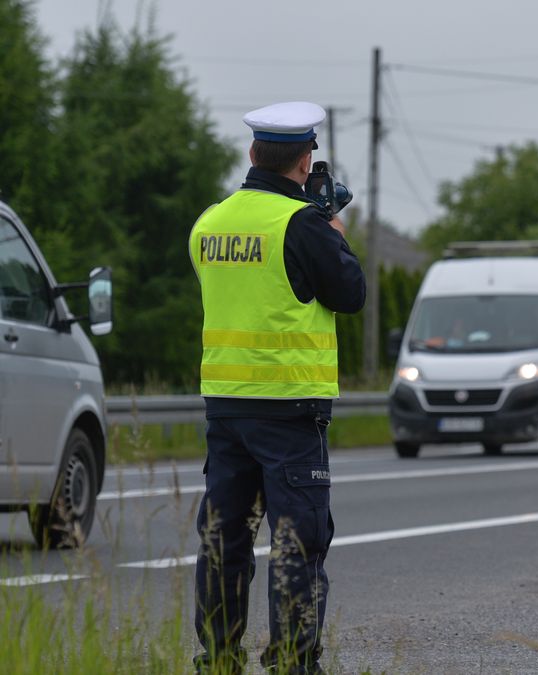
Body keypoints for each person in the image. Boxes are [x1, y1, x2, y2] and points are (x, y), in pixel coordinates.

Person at [188, 101, 366, 673]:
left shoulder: (210, 222)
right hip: (290, 406)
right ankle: (293, 661)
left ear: (252, 153)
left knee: (224, 540)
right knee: (297, 541)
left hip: (225, 406)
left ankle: (218, 658)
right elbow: (351, 294)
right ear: (305, 161)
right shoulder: (304, 224)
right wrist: (333, 229)